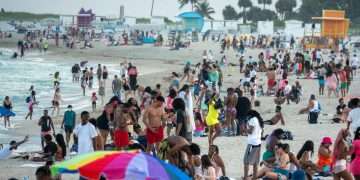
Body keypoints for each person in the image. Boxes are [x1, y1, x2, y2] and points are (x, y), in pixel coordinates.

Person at [243, 110, 263, 180]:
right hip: (258, 143)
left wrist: (244, 129)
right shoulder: (259, 120)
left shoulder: (252, 120)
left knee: (246, 161)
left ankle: (245, 177)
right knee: (255, 162)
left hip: (252, 143)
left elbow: (250, 131)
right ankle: (254, 177)